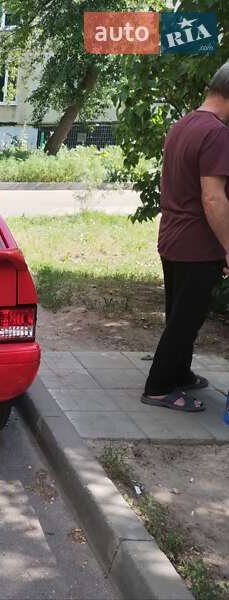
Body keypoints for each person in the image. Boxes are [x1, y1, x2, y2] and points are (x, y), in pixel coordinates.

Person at [142, 62, 229, 412]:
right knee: (185, 320)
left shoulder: (184, 124)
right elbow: (213, 197)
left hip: (173, 239)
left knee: (180, 315)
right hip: (197, 245)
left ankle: (180, 372)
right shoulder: (218, 133)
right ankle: (160, 387)